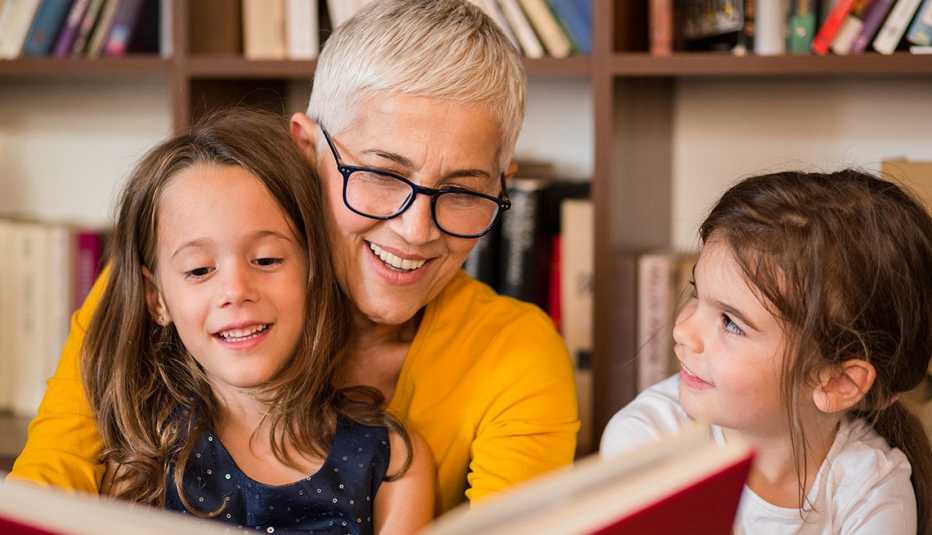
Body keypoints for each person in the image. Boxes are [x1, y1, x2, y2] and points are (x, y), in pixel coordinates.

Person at [11, 0, 579, 515]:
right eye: (381, 175)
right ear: (307, 149)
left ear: (503, 185)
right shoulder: (180, 288)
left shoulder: (516, 354)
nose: (415, 230)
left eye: (461, 191)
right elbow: (48, 489)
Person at [83, 108, 434, 534]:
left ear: (313, 269)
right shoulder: (142, 460)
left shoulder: (392, 462)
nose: (236, 290)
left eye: (266, 259)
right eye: (199, 270)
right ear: (157, 300)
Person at [601, 170, 932, 534]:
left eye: (730, 322)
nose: (682, 330)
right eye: (697, 293)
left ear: (838, 382)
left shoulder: (872, 490)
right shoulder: (644, 440)